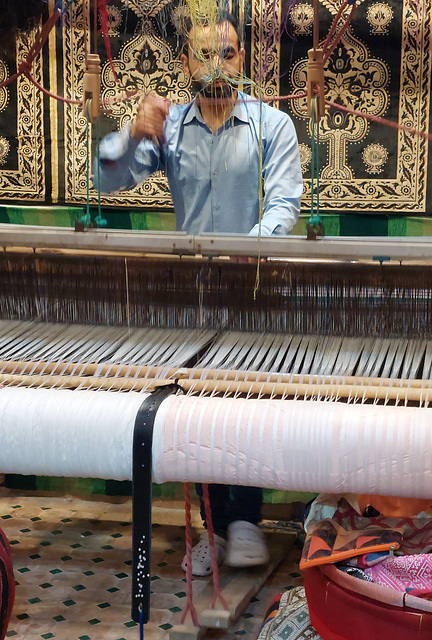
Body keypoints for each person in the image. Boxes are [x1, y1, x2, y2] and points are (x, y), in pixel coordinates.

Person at [94, 13, 303, 576]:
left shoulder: (271, 125)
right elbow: (109, 181)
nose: (217, 66)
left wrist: (251, 249)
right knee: (199, 409)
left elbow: (285, 204)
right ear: (186, 64)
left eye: (228, 53)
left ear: (244, 61)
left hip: (256, 288)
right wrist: (134, 132)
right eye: (204, 55)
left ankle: (246, 522)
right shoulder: (173, 128)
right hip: (194, 296)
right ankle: (213, 528)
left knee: (249, 404)